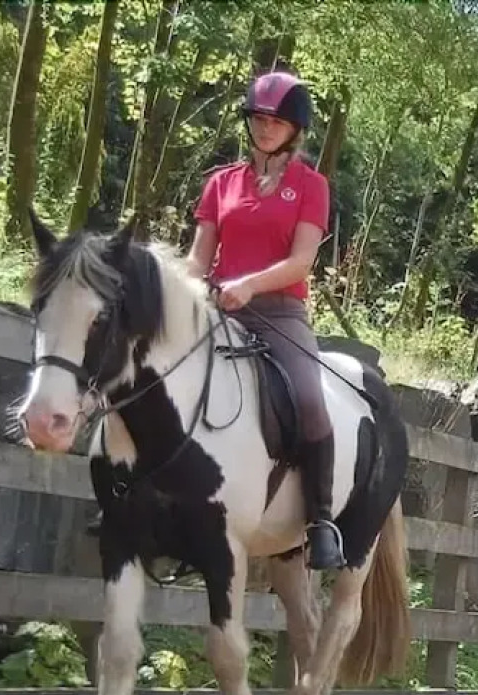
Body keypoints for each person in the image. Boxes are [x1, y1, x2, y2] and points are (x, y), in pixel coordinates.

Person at [187, 70, 344, 571]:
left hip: (279, 314)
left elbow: (301, 263)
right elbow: (198, 259)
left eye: (275, 120)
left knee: (309, 400)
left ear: (295, 128)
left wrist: (250, 285)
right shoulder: (221, 183)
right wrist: (179, 288)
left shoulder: (311, 186)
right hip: (218, 309)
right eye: (257, 118)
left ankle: (321, 521)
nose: (264, 127)